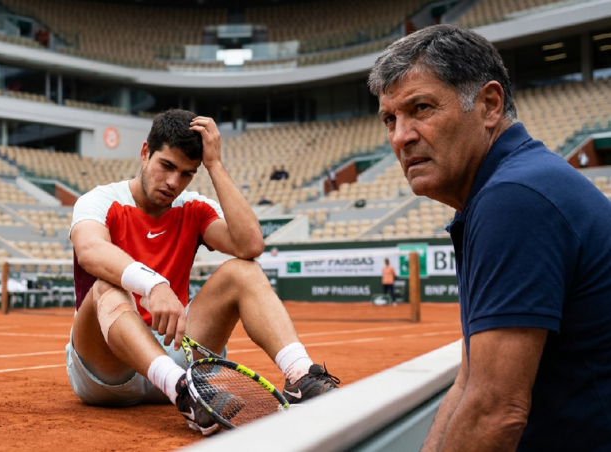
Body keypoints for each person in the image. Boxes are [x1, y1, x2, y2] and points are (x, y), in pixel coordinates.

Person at [369, 24, 611, 451]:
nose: (400, 136)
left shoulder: (514, 198)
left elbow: (495, 412)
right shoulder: (512, 186)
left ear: (489, 105)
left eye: (421, 108)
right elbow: (470, 382)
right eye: (390, 118)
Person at [68, 109, 339, 436]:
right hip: (108, 367)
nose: (173, 182)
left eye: (186, 174)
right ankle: (183, 390)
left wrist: (215, 165)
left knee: (243, 270)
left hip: (176, 355)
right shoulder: (100, 200)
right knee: (105, 286)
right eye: (166, 166)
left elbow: (250, 244)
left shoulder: (193, 207)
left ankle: (300, 378)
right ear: (144, 153)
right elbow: (90, 251)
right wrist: (153, 284)